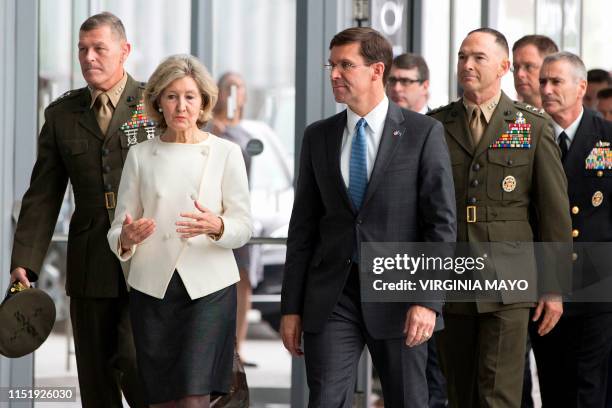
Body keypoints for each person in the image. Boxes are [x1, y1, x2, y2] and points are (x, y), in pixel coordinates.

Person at [281, 27, 456, 407]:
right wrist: (291, 307)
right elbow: (303, 228)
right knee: (325, 400)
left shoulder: (423, 133)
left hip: (401, 294)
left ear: (377, 70)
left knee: (408, 400)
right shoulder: (318, 137)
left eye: (346, 65)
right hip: (333, 296)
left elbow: (440, 225)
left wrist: (428, 300)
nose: (334, 74)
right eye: (332, 65)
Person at [9, 12, 149, 408]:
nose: (89, 58)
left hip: (148, 258)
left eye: (99, 49)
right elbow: (43, 195)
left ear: (124, 51)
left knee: (138, 364)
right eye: (82, 50)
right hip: (90, 261)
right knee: (95, 374)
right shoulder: (61, 115)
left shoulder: (155, 104)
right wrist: (25, 263)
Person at [428, 28, 572, 408]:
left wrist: (554, 287)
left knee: (499, 397)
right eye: (462, 56)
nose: (468, 65)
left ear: (503, 67)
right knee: (458, 394)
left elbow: (554, 212)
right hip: (451, 278)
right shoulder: (435, 126)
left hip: (510, 281)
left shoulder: (532, 125)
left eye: (478, 57)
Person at [107, 54, 252, 407]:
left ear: (203, 101)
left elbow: (243, 226)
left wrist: (218, 226)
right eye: (171, 96)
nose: (181, 105)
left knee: (194, 397)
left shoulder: (226, 153)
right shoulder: (141, 156)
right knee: (159, 399)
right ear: (158, 102)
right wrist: (126, 239)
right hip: (153, 290)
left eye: (189, 96)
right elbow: (117, 230)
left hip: (209, 290)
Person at [536, 51, 612, 408]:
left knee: (587, 388)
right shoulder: (525, 135)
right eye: (543, 82)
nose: (547, 89)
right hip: (543, 279)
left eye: (556, 81)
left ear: (581, 87)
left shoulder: (606, 139)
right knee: (552, 382)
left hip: (596, 282)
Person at [385, 52, 447, 408]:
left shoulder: (435, 129)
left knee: (435, 375)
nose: (397, 88)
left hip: (435, 273)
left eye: (405, 81)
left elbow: (441, 215)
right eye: (392, 80)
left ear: (425, 87)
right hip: (389, 276)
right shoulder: (379, 128)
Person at [510, 33, 558, 408]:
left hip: (567, 271)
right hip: (513, 270)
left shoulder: (572, 126)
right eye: (518, 66)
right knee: (513, 379)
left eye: (531, 67)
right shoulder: (508, 124)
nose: (522, 75)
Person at [208, 72, 255, 366]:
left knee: (244, 280)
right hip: (212, 214)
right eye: (229, 87)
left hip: (240, 214)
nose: (234, 93)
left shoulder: (247, 133)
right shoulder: (211, 129)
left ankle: (239, 345)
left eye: (240, 87)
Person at [512, 34, 558, 109]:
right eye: (516, 67)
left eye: (528, 66)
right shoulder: (504, 117)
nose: (519, 74)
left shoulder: (572, 117)